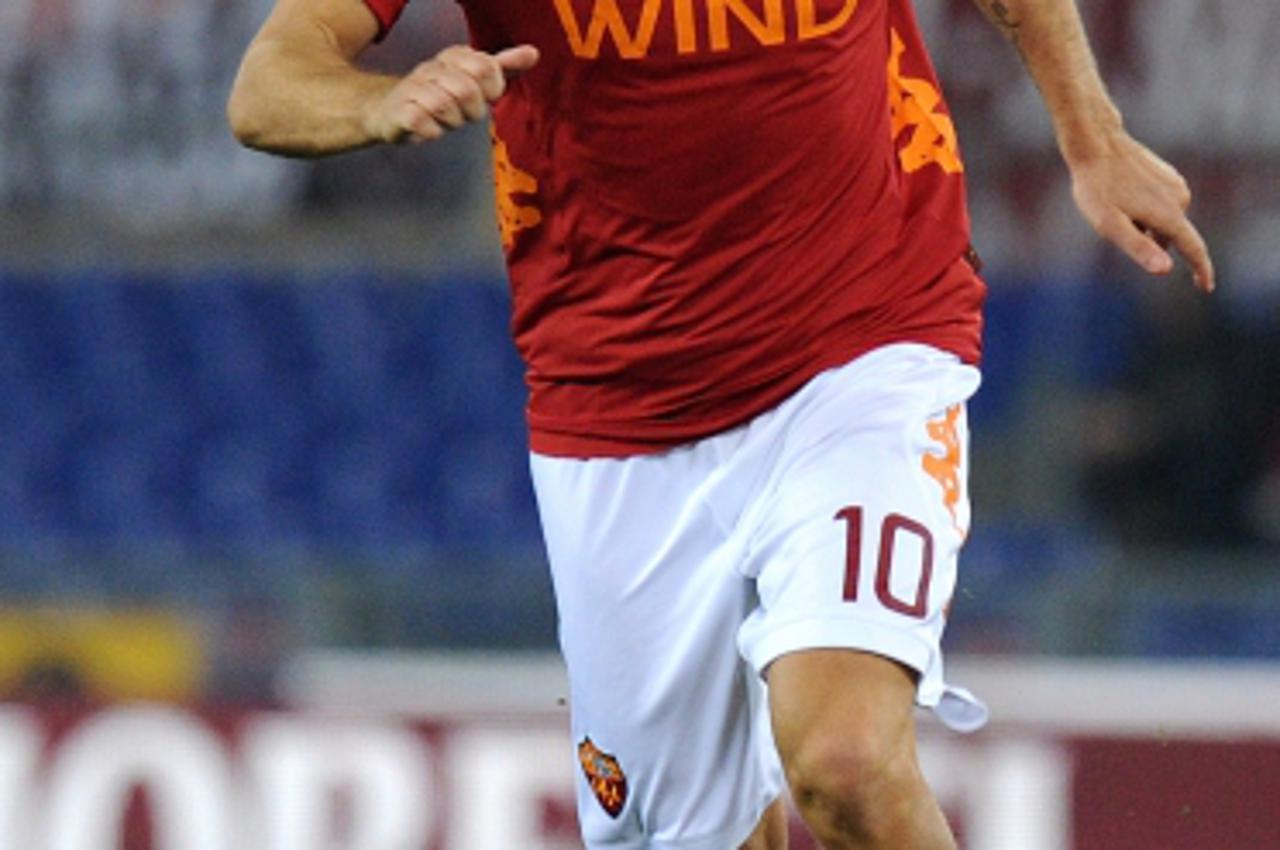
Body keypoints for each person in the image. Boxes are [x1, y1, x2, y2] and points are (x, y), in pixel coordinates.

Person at [228, 0, 1214, 847]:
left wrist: (1091, 137)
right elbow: (269, 82)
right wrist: (373, 102)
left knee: (844, 765)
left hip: (859, 350)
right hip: (617, 403)